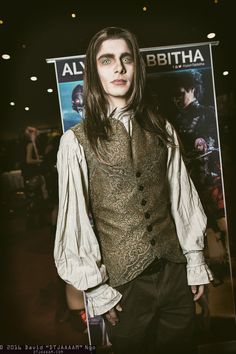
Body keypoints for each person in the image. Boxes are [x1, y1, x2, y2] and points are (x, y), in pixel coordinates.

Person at [54, 27, 213, 354]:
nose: (119, 68)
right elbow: (73, 223)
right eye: (107, 60)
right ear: (94, 71)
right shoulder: (76, 141)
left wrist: (195, 258)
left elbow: (182, 197)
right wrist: (96, 288)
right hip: (124, 287)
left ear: (137, 67)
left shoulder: (160, 127)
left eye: (126, 59)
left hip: (175, 274)